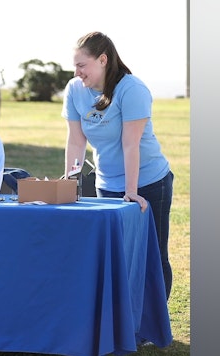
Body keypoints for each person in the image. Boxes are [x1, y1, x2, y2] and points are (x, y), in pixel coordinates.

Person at [62, 31, 174, 301]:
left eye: (81, 65)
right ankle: (122, 319)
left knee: (151, 253)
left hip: (149, 182)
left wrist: (132, 191)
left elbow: (130, 145)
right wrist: (68, 185)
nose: (77, 72)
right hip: (106, 183)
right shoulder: (74, 90)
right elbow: (76, 142)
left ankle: (153, 324)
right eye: (74, 66)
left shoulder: (132, 89)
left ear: (102, 60)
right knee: (117, 256)